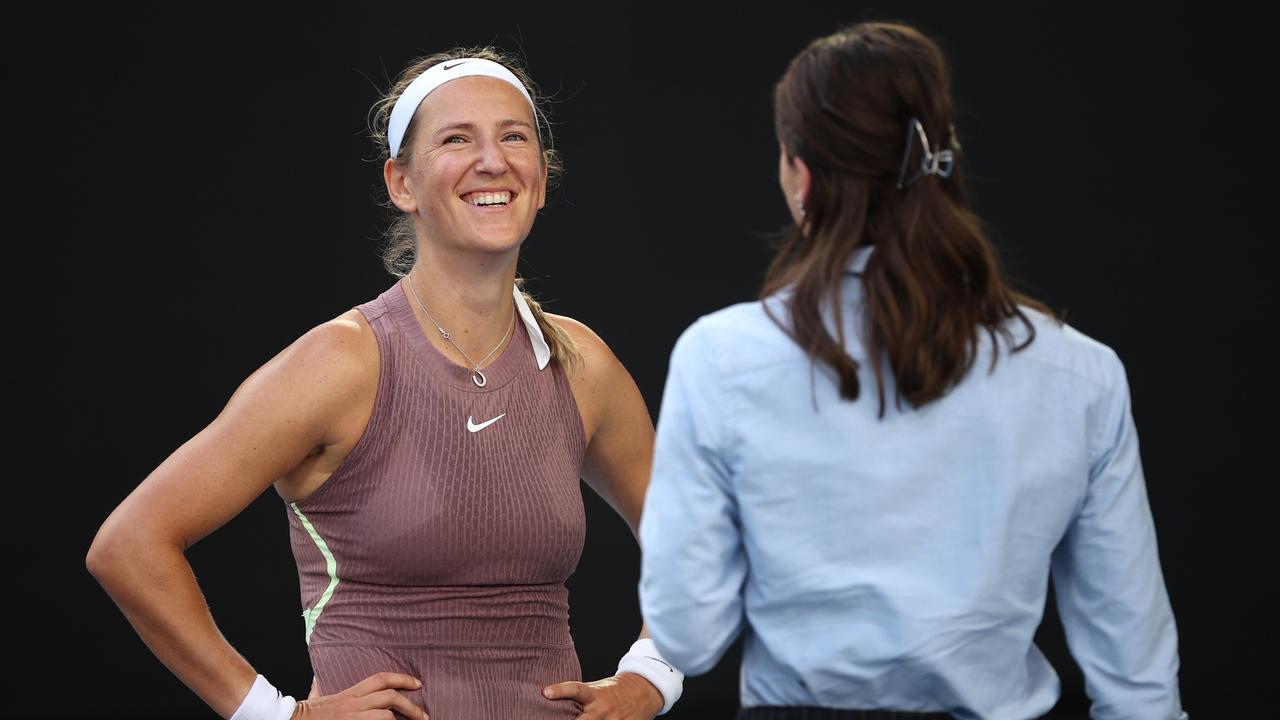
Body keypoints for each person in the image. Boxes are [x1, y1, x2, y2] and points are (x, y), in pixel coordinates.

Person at [87, 47, 681, 720]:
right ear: (401, 183)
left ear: (541, 178)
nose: (493, 160)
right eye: (457, 139)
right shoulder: (339, 363)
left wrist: (652, 677)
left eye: (514, 137)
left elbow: (695, 542)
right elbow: (130, 545)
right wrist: (274, 715)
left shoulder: (581, 364)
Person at [637, 22, 1187, 720]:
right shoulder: (1083, 373)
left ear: (801, 176)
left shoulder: (720, 358)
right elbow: (1137, 680)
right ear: (941, 162)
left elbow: (688, 632)